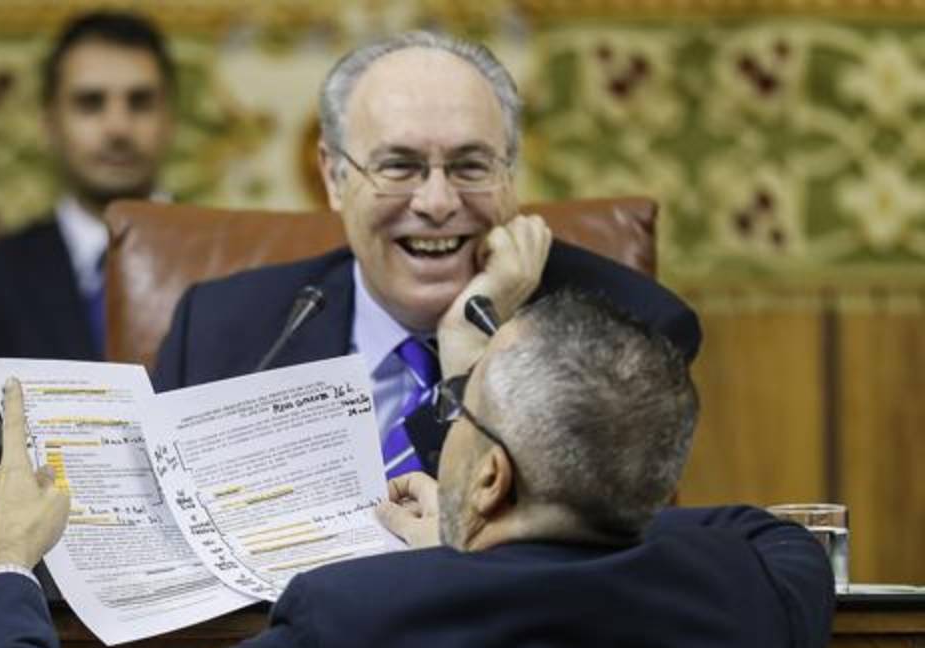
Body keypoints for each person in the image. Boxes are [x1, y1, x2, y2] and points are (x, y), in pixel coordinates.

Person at [0, 290, 834, 648]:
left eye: (458, 408)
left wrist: (6, 564)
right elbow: (748, 528)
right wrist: (467, 541)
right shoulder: (761, 586)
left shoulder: (357, 617)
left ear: (489, 475)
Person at [151, 31, 701, 479]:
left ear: (510, 173)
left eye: (470, 166)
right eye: (399, 166)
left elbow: (563, 558)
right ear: (334, 176)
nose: (437, 202)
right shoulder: (224, 333)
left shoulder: (628, 334)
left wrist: (471, 349)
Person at [0, 10, 176, 422]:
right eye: (90, 103)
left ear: (170, 120)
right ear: (50, 123)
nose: (118, 126)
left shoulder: (236, 266)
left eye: (140, 102)